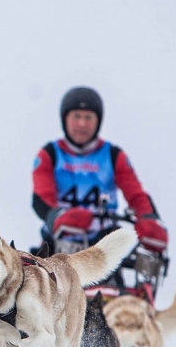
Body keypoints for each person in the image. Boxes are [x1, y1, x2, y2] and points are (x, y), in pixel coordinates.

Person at [32, 86, 168, 254]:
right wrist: (57, 216)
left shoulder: (113, 155)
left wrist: (149, 219)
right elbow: (41, 198)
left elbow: (136, 194)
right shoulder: (49, 154)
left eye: (88, 117)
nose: (82, 124)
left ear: (98, 121)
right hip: (59, 244)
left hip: (104, 244)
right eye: (76, 116)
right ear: (65, 119)